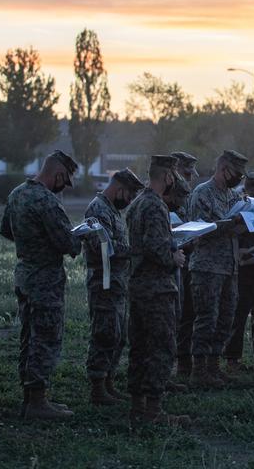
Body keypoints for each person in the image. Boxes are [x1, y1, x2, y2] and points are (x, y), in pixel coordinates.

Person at [0, 150, 82, 420]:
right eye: (65, 181)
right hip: (45, 281)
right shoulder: (47, 201)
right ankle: (37, 402)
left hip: (24, 275)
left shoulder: (17, 194)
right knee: (45, 339)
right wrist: (82, 237)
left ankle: (30, 398)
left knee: (28, 338)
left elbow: (7, 231)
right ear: (59, 174)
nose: (64, 187)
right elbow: (67, 243)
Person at [125, 155, 190, 425]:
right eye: (173, 175)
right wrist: (174, 257)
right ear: (167, 177)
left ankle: (138, 406)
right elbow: (155, 246)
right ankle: (153, 410)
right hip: (157, 289)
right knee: (161, 347)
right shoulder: (154, 205)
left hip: (139, 286)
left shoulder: (137, 202)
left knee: (139, 347)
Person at [83, 168, 145, 406]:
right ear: (120, 189)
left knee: (118, 336)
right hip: (104, 283)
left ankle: (108, 383)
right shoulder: (97, 209)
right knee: (105, 333)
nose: (129, 202)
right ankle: (98, 387)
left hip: (118, 282)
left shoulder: (112, 210)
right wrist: (137, 250)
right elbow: (105, 247)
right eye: (129, 196)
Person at [187, 150, 248, 387]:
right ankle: (199, 370)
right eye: (236, 174)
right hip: (207, 267)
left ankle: (214, 366)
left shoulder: (234, 196)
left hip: (229, 267)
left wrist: (249, 222)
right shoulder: (202, 193)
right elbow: (200, 229)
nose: (239, 179)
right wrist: (230, 223)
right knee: (207, 319)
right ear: (224, 170)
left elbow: (235, 230)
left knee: (226, 318)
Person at [225, 170, 254, 371]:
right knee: (240, 312)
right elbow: (230, 231)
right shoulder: (235, 200)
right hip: (242, 264)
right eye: (253, 191)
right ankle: (233, 358)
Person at [171, 151, 199, 385]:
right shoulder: (160, 197)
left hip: (188, 260)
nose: (190, 178)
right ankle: (171, 364)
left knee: (188, 312)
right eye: (186, 172)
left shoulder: (188, 196)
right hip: (169, 264)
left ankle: (183, 361)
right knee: (172, 316)